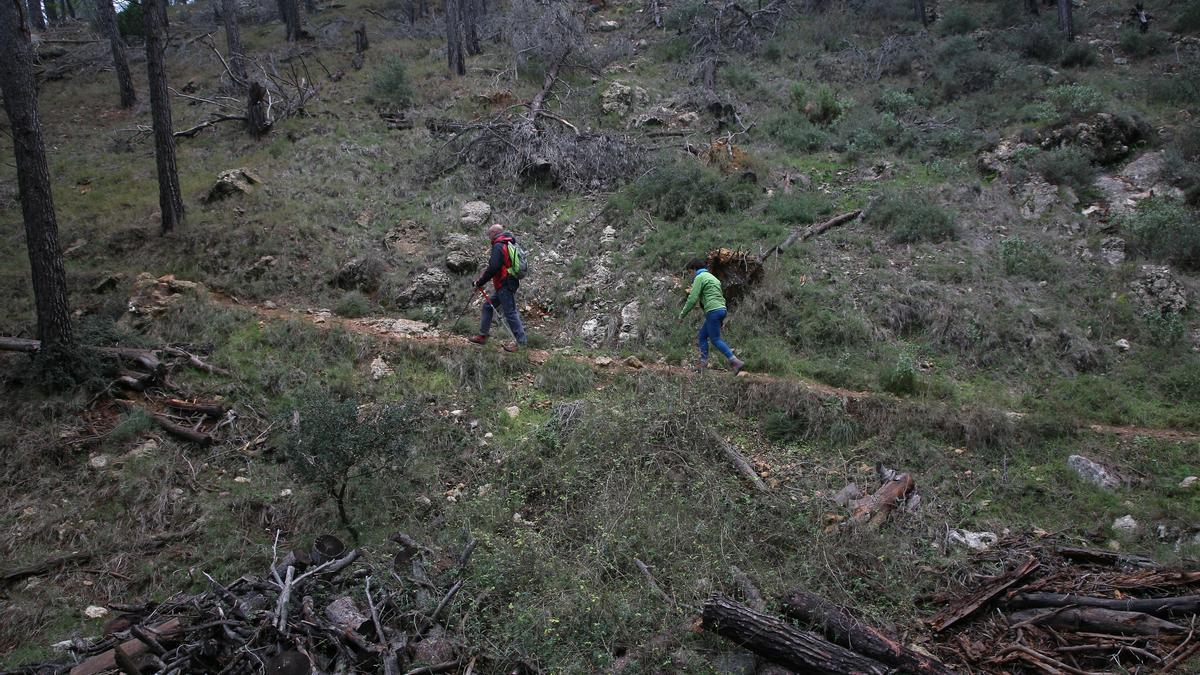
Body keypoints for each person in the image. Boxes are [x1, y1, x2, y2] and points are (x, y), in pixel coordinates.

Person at [679, 258, 744, 373]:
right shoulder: (713, 278)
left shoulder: (700, 277)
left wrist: (682, 314)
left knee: (715, 339)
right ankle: (703, 364)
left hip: (713, 310)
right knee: (703, 336)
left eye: (690, 272)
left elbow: (692, 299)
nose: (691, 276)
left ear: (694, 269)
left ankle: (735, 361)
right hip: (721, 309)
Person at [469, 223, 527, 352]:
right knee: (488, 306)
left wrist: (480, 282)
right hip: (507, 282)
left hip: (504, 284)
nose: (489, 237)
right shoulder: (507, 243)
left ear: (494, 233)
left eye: (489, 234)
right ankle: (482, 336)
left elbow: (493, 268)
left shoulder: (498, 245)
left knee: (510, 312)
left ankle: (521, 343)